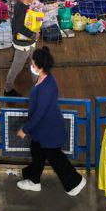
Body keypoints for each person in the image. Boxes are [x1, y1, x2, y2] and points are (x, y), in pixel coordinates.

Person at [16, 49, 85, 196]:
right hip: (43, 130)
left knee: (55, 157)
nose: (31, 65)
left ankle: (75, 182)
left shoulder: (46, 87)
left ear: (40, 66)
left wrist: (25, 129)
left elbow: (39, 113)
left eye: (33, 64)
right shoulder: (46, 78)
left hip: (47, 130)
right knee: (37, 152)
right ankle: (34, 180)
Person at [4, 0, 40, 97]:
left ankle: (38, 86)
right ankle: (8, 90)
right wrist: (33, 34)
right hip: (23, 45)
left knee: (35, 64)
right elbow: (19, 27)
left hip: (29, 43)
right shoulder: (22, 9)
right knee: (16, 68)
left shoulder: (20, 5)